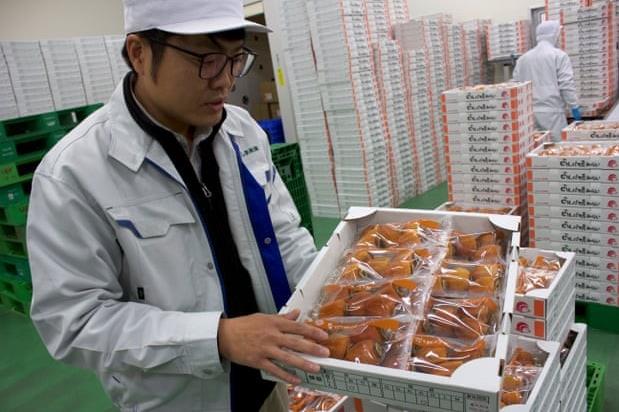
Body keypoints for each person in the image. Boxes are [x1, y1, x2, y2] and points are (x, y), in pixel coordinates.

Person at [26, 0, 329, 411]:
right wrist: (217, 338)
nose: (225, 81)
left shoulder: (243, 131)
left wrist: (330, 297)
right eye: (206, 61)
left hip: (274, 379)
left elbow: (285, 235)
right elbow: (74, 322)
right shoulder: (74, 173)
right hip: (181, 399)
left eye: (235, 59)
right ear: (139, 53)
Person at [512, 20, 581, 141]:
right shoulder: (559, 55)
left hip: (528, 115)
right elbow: (566, 85)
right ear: (554, 35)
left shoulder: (523, 59)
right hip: (552, 114)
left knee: (534, 148)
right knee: (555, 148)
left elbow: (515, 86)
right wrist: (574, 107)